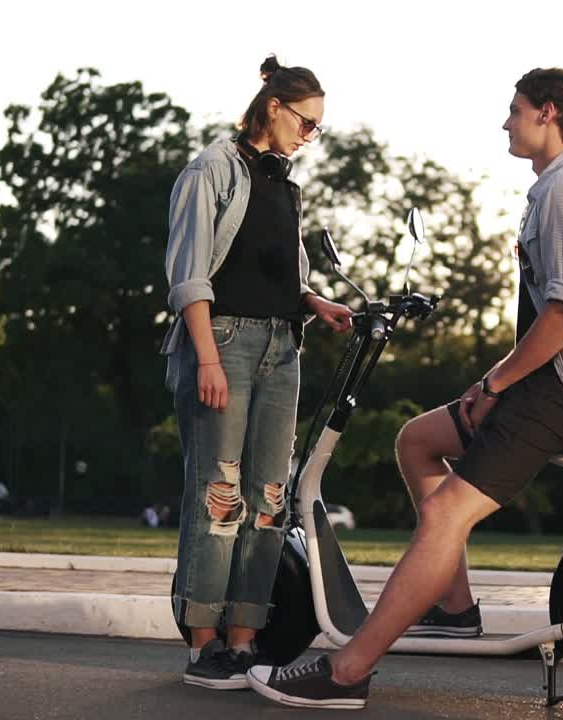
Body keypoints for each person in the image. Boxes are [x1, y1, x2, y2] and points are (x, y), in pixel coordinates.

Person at [247, 67, 563, 709]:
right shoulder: (552, 190)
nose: (506, 121)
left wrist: (496, 383)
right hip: (550, 381)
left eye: (515, 110)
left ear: (547, 113)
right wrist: (488, 383)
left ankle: (347, 672)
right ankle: (453, 605)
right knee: (417, 442)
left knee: (446, 511)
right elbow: (547, 321)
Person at [161, 55, 353, 691]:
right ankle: (204, 644)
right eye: (306, 121)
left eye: (316, 127)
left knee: (269, 498)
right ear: (273, 107)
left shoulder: (283, 179)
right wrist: (208, 360)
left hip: (282, 349)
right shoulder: (212, 169)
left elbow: (282, 271)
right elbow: (189, 275)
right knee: (220, 496)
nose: (309, 135)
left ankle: (246, 640)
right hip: (224, 342)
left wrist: (314, 301)